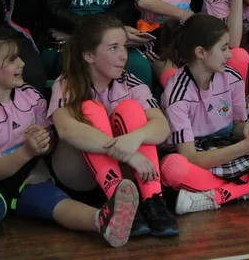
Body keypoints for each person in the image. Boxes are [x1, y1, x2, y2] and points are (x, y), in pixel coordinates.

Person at [0, 27, 140, 260]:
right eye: (11, 60)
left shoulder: (31, 96)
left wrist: (42, 143)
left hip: (30, 178)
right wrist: (28, 150)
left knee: (57, 204)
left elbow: (50, 144)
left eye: (19, 56)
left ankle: (103, 220)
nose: (22, 63)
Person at [157, 14, 249, 214]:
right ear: (201, 52)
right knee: (172, 167)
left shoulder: (232, 78)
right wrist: (244, 147)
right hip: (199, 158)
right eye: (224, 48)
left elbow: (236, 125)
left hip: (227, 148)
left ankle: (213, 196)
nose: (229, 55)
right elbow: (190, 157)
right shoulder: (177, 94)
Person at [48, 15, 178, 237]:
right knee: (90, 110)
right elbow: (67, 129)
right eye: (113, 48)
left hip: (126, 178)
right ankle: (118, 199)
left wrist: (134, 138)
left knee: (130, 110)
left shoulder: (129, 82)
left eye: (124, 47)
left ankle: (152, 200)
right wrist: (129, 155)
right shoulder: (68, 83)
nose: (123, 56)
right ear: (89, 55)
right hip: (78, 177)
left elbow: (162, 127)